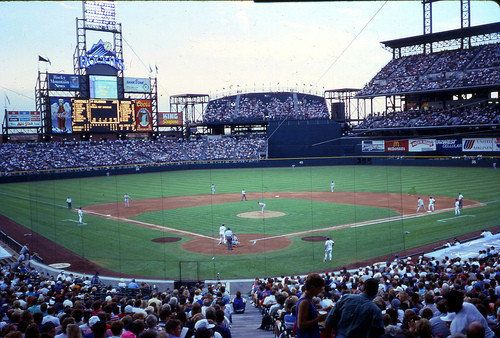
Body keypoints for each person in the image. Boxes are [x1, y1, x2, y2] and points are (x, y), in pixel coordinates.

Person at [295, 273, 327, 338]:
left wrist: (325, 309)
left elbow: (309, 312)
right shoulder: (305, 302)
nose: (321, 291)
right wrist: (318, 319)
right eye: (319, 288)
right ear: (312, 287)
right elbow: (300, 325)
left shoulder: (308, 298)